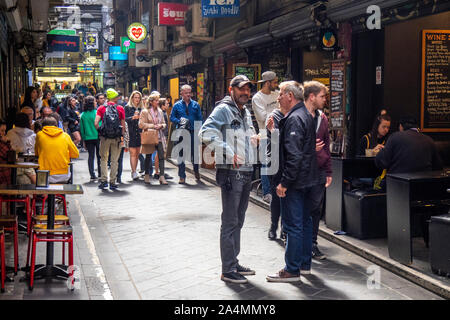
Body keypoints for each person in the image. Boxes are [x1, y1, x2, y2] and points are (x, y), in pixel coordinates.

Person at [199, 75, 259, 284]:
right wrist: (227, 151)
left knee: (239, 220)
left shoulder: (245, 111)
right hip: (231, 172)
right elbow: (205, 132)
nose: (246, 93)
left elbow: (248, 132)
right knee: (230, 220)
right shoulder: (223, 109)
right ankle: (228, 269)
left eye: (248, 89)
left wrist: (254, 137)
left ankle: (234, 261)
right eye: (242, 89)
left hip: (246, 170)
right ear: (231, 89)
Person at [266, 81, 319, 283]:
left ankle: (291, 270)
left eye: (280, 94)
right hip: (308, 180)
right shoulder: (303, 115)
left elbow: (294, 156)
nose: (278, 98)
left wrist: (284, 182)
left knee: (293, 225)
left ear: (290, 95)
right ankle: (304, 265)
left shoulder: (295, 118)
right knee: (305, 222)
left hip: (296, 183)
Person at [303, 81, 332, 261]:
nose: (325, 100)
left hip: (320, 169)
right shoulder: (298, 115)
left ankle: (312, 244)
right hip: (303, 169)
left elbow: (327, 146)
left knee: (316, 209)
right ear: (312, 96)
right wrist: (309, 148)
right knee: (303, 209)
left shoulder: (323, 118)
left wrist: (329, 171)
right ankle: (301, 244)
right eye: (322, 96)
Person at [375, 116, 442, 175]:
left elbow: (382, 162)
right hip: (423, 185)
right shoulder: (429, 140)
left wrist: (379, 152)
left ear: (401, 126)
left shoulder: (395, 137)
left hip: (398, 185)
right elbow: (438, 167)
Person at [252, 71, 280, 203]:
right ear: (267, 83)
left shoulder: (277, 94)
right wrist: (278, 113)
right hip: (263, 134)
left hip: (277, 133)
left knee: (277, 163)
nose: (276, 84)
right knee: (265, 163)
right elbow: (263, 117)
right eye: (274, 82)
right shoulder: (257, 98)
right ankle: (266, 192)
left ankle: (275, 190)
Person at [170, 85, 203, 184]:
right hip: (182, 133)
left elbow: (200, 118)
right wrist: (179, 121)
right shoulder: (177, 105)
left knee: (195, 154)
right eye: (186, 93)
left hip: (193, 132)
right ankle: (182, 176)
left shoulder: (196, 105)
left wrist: (199, 131)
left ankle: (196, 171)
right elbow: (172, 117)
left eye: (189, 92)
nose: (188, 94)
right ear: (181, 94)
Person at [94, 88, 126, 190]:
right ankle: (113, 181)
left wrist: (101, 131)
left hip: (105, 137)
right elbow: (123, 126)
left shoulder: (101, 108)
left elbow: (96, 123)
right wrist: (122, 137)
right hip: (116, 137)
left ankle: (104, 181)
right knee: (114, 161)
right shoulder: (120, 108)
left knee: (103, 159)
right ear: (115, 98)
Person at [35, 117, 79, 183]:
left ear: (43, 126)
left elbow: (37, 153)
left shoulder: (39, 135)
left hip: (45, 174)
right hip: (63, 174)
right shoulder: (66, 136)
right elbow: (76, 154)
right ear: (57, 125)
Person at [139, 93, 168, 185]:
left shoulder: (160, 111)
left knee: (161, 157)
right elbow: (141, 124)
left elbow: (164, 123)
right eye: (156, 100)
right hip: (150, 137)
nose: (157, 102)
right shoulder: (145, 112)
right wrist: (153, 126)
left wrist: (161, 125)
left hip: (159, 137)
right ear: (151, 102)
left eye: (158, 100)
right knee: (148, 157)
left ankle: (162, 176)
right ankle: (147, 175)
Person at [266, 105, 285, 241]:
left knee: (288, 198)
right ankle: (273, 226)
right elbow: (276, 140)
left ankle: (285, 229)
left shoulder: (295, 115)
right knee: (276, 197)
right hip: (275, 162)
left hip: (289, 163)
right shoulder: (274, 116)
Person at [5, 113, 36, 184]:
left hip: (14, 166)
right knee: (34, 183)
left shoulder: (10, 133)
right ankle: (41, 194)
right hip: (29, 165)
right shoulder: (33, 135)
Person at [80, 96, 101, 181]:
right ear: (93, 103)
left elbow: (82, 129)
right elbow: (100, 125)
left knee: (91, 156)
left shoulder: (83, 115)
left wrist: (83, 140)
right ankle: (100, 173)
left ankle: (92, 174)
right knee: (100, 156)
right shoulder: (97, 113)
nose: (96, 103)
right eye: (95, 102)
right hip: (98, 137)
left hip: (88, 138)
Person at [125, 91, 144, 180]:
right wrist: (133, 117)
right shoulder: (128, 108)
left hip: (140, 133)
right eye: (135, 97)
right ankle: (133, 172)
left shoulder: (142, 108)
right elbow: (124, 120)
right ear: (132, 98)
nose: (137, 99)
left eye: (138, 98)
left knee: (137, 153)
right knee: (132, 153)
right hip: (131, 133)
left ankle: (135, 170)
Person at [158, 98, 173, 180]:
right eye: (166, 104)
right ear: (162, 105)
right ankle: (161, 172)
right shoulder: (163, 114)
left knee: (161, 155)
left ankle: (161, 172)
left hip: (163, 135)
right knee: (162, 155)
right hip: (163, 136)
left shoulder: (163, 113)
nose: (168, 105)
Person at [0, 119, 11, 184]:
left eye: (5, 131)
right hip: (2, 173)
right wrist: (7, 142)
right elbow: (10, 155)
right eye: (2, 131)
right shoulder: (1, 143)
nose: (4, 133)